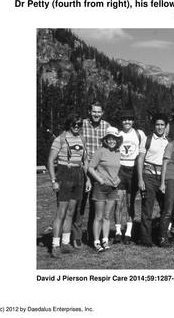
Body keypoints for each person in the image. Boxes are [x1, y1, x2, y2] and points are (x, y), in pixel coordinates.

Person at [47, 113, 91, 258]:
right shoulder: (60, 139)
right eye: (74, 124)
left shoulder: (82, 139)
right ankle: (55, 245)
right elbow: (50, 161)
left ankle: (66, 243)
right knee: (62, 212)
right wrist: (54, 181)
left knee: (71, 212)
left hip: (78, 175)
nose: (77, 127)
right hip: (65, 173)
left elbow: (85, 161)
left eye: (79, 124)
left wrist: (88, 179)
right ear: (69, 125)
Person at [73, 101, 110, 248]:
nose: (96, 114)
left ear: (102, 113)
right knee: (80, 204)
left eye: (99, 112)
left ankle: (92, 235)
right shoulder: (81, 125)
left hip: (99, 172)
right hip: (84, 169)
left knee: (97, 206)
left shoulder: (106, 126)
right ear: (89, 112)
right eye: (94, 111)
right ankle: (77, 236)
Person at [88, 127, 122, 252]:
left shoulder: (118, 152)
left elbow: (116, 170)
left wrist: (117, 179)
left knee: (107, 216)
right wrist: (100, 180)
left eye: (114, 138)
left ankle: (105, 240)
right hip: (100, 188)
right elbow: (91, 168)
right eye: (109, 138)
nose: (112, 141)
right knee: (99, 216)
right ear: (106, 140)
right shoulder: (100, 151)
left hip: (113, 188)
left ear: (118, 140)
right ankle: (96, 241)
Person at [137, 113, 169, 247]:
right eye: (157, 124)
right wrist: (140, 179)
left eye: (162, 125)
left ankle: (162, 236)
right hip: (148, 176)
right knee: (147, 208)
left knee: (165, 209)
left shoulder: (169, 142)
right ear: (154, 125)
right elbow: (140, 159)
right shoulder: (147, 139)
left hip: (162, 178)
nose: (160, 127)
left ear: (166, 126)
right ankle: (145, 238)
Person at [114, 110, 146, 244]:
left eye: (129, 119)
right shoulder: (117, 134)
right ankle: (117, 232)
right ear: (121, 121)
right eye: (124, 119)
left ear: (133, 121)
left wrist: (140, 176)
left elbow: (142, 154)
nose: (127, 122)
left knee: (130, 202)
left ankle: (128, 232)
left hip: (133, 170)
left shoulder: (139, 134)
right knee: (118, 202)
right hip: (119, 169)